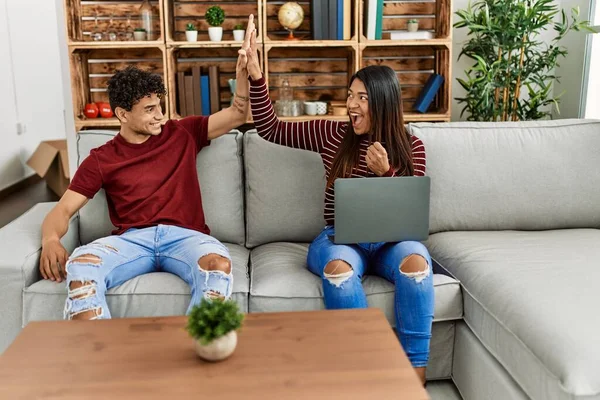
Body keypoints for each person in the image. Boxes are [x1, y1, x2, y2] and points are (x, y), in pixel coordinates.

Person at [39, 16, 257, 321]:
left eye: (161, 107)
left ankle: (202, 350)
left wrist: (243, 71)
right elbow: (62, 210)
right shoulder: (102, 158)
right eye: (150, 110)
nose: (160, 116)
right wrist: (50, 240)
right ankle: (99, 357)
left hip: (186, 237)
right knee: (81, 265)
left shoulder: (182, 133)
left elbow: (238, 113)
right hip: (131, 241)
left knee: (218, 266)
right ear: (122, 114)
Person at [244, 34, 434, 384]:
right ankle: (363, 371)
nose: (351, 104)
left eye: (362, 97)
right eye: (350, 95)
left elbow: (408, 211)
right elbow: (269, 129)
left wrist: (387, 173)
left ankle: (414, 375)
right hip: (339, 238)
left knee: (418, 265)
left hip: (393, 243)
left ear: (384, 103)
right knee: (339, 271)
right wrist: (257, 76)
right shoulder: (332, 134)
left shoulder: (412, 147)